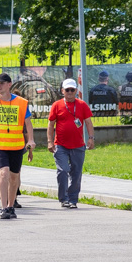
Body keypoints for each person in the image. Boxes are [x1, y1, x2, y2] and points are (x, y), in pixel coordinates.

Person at [0, 73, 35, 220]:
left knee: (14, 177)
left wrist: (31, 140)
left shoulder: (21, 103)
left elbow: (27, 123)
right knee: (4, 173)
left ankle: (10, 206)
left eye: (2, 83)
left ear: (9, 85)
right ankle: (3, 208)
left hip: (16, 145)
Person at [47, 78, 95, 209]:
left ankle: (73, 199)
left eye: (72, 90)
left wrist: (91, 138)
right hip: (60, 145)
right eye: (67, 90)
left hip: (78, 145)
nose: (69, 92)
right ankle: (64, 198)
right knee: (63, 171)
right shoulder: (57, 105)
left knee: (76, 173)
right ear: (62, 91)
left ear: (76, 91)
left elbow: (88, 122)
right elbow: (51, 124)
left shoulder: (82, 105)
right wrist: (50, 142)